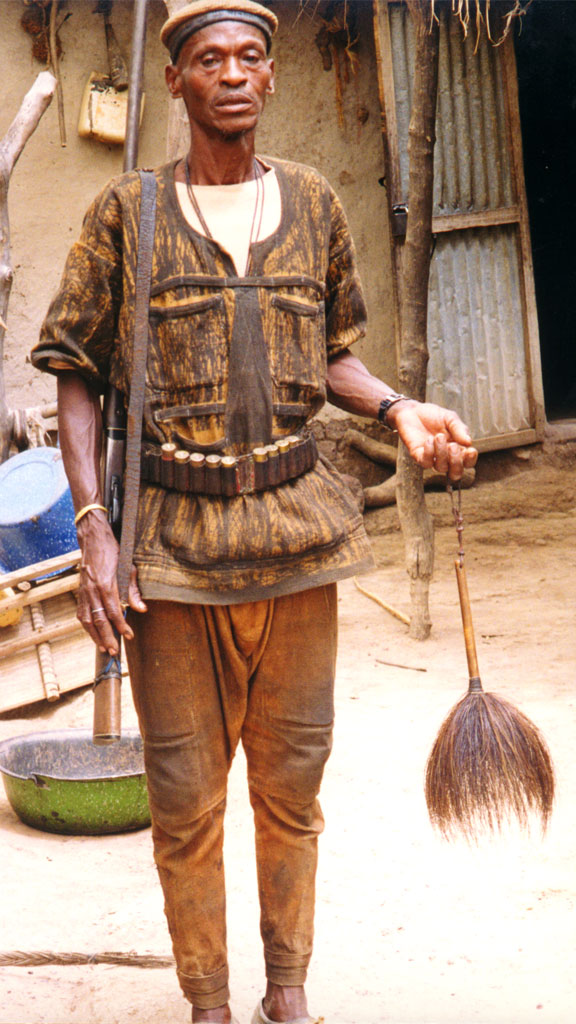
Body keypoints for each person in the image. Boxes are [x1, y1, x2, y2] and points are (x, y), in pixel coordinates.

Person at [31, 3, 477, 1022]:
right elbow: (76, 373)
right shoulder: (126, 213)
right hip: (174, 551)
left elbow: (333, 357)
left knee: (292, 789)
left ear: (272, 79)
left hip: (293, 534)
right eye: (206, 59)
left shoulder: (315, 203)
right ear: (180, 81)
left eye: (249, 58)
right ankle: (209, 1006)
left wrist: (400, 409)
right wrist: (93, 523)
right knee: (185, 805)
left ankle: (286, 996)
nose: (230, 74)